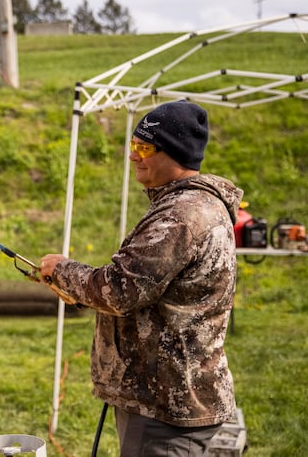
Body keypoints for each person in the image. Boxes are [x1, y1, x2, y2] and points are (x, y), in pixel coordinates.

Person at [40, 100, 242, 456]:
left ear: (175, 153)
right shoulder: (184, 206)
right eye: (132, 146)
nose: (133, 156)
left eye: (144, 148)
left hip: (166, 406)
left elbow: (119, 290)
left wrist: (61, 271)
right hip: (165, 396)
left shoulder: (182, 216)